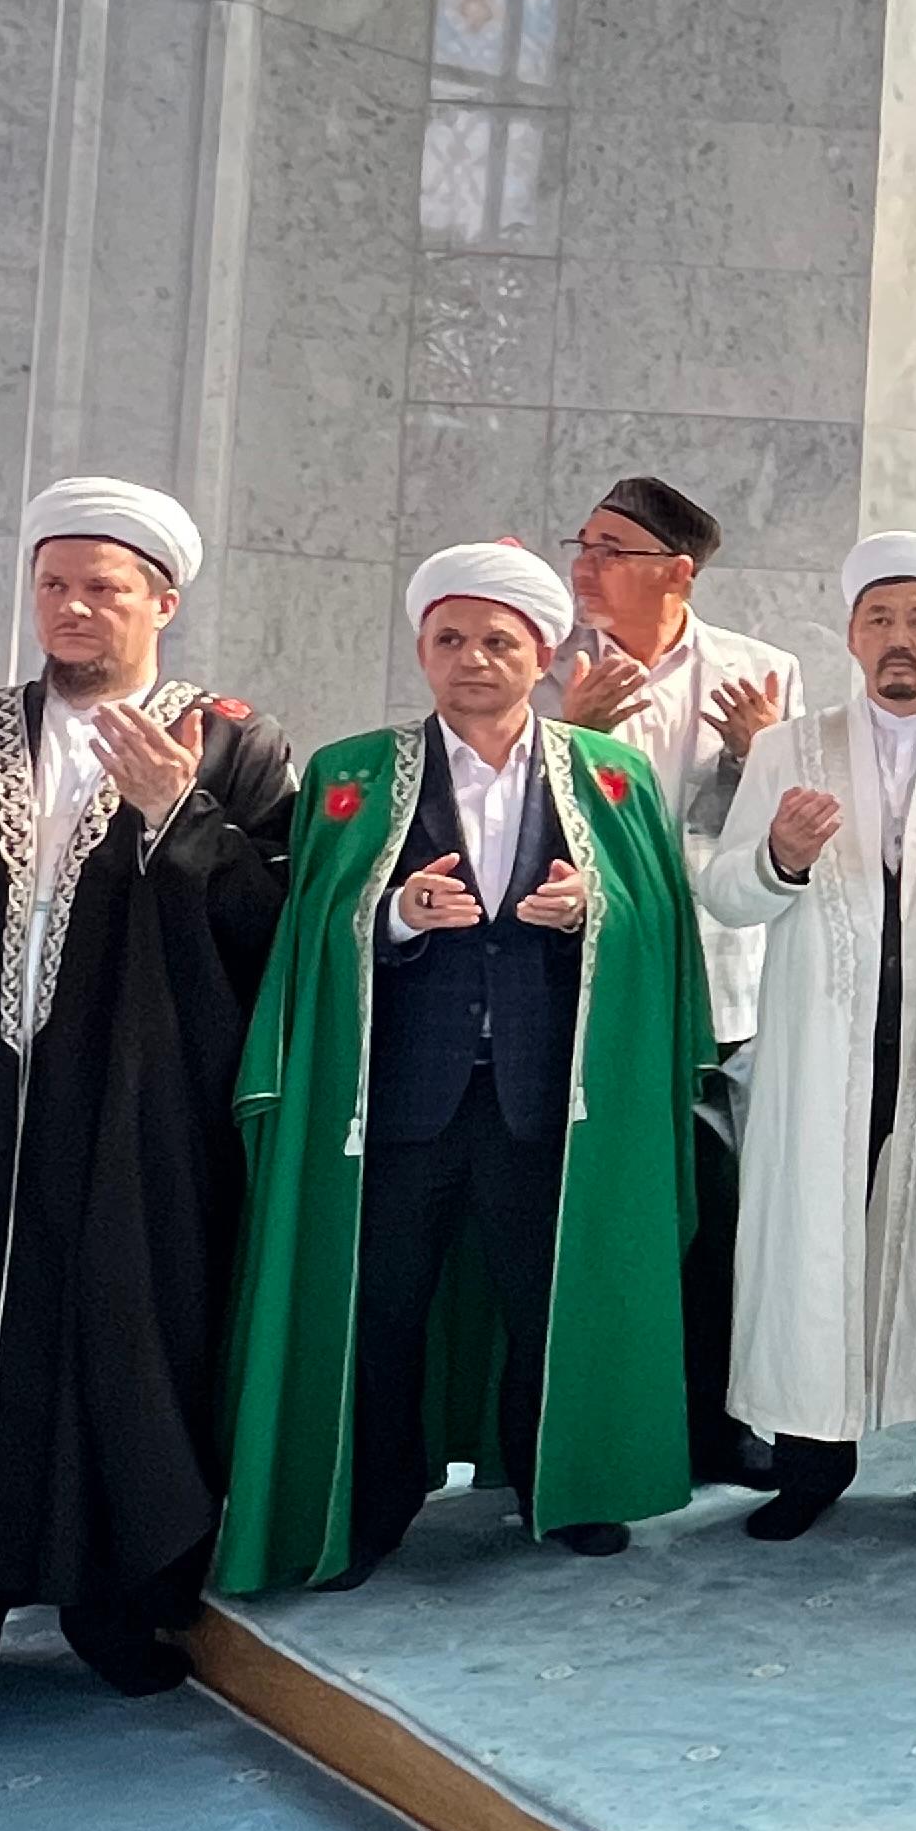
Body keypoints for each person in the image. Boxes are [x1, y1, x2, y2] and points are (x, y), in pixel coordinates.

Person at [0, 482, 295, 1724]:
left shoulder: (234, 746)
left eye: (103, 588)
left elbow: (278, 930)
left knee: (119, 1338)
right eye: (54, 584)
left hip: (129, 1116)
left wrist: (179, 818)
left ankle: (112, 1607)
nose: (72, 608)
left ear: (161, 603)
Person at [216, 545, 716, 1593]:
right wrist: (395, 914)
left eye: (497, 640)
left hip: (548, 1103)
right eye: (450, 639)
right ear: (421, 651)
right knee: (384, 1308)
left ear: (543, 655)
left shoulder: (611, 776)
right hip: (402, 1105)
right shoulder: (352, 772)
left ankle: (558, 1484)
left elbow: (660, 927)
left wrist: (592, 915)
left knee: (548, 1302)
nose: (473, 658)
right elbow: (308, 931)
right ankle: (376, 1500)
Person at [700, 535, 916, 1541]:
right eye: (880, 619)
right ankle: (812, 1463)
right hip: (822, 1049)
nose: (900, 639)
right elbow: (727, 894)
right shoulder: (786, 749)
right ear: (851, 635)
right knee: (817, 1245)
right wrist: (779, 854)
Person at [547, 476, 806, 1493]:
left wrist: (759, 755)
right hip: (584, 981)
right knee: (600, 1216)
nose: (586, 565)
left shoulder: (760, 673)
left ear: (678, 573)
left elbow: (789, 831)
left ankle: (716, 1423)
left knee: (717, 1217)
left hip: (718, 981)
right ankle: (585, 1428)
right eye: (583, 544)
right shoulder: (542, 662)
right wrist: (569, 732)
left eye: (612, 548)